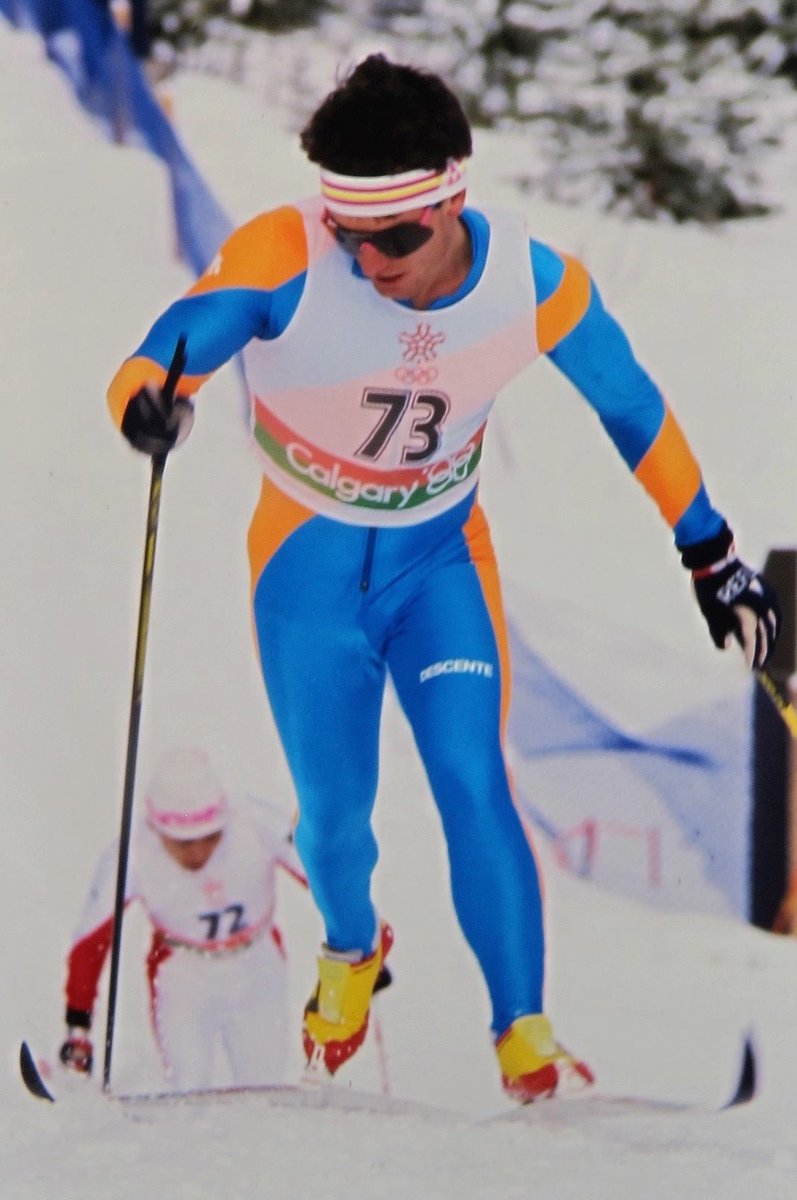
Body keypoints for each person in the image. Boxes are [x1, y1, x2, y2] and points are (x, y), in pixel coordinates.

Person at [105, 55, 781, 1103]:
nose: (370, 261)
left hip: (437, 564)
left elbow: (629, 406)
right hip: (305, 574)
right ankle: (347, 948)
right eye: (352, 233)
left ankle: (523, 1035)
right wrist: (149, 401)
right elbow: (159, 353)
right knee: (333, 816)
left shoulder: (531, 282)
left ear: (452, 196)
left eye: (398, 236)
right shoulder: (286, 250)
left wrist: (711, 553)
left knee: (472, 780)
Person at [59, 747, 307, 1091]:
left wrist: (359, 940)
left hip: (257, 964)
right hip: (183, 976)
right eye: (183, 842)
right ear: (157, 828)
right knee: (187, 1085)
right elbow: (91, 943)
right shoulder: (131, 853)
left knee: (264, 1082)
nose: (199, 853)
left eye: (211, 837)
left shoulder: (254, 820)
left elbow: (323, 874)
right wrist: (79, 1027)